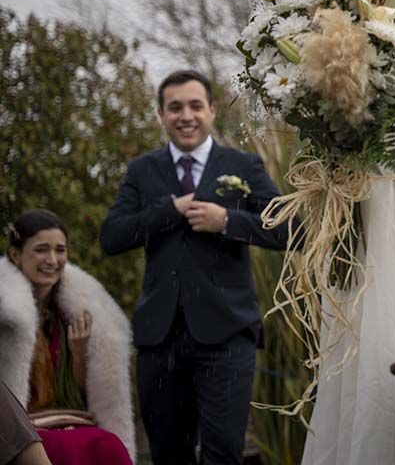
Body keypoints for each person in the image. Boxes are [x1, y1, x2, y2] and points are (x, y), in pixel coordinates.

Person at [100, 69, 290, 465]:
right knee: (169, 454)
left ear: (212, 110)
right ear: (161, 114)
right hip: (160, 338)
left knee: (222, 453)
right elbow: (112, 237)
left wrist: (229, 222)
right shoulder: (142, 171)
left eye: (194, 106)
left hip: (226, 334)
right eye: (175, 108)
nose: (185, 115)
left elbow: (290, 230)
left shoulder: (245, 165)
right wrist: (168, 211)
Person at [0, 210, 135, 464]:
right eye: (41, 249)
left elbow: (83, 399)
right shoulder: (4, 311)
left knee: (108, 444)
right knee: (72, 447)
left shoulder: (70, 314)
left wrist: (78, 355)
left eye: (60, 250)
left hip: (67, 421)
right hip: (21, 433)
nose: (52, 260)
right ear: (16, 255)